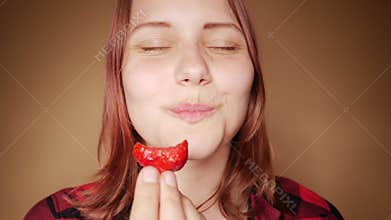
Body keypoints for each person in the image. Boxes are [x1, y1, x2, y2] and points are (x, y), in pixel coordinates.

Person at [24, 0, 344, 219]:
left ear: (254, 78)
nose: (194, 68)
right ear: (118, 78)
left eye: (224, 45)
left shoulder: (313, 214)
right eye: (155, 46)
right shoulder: (53, 216)